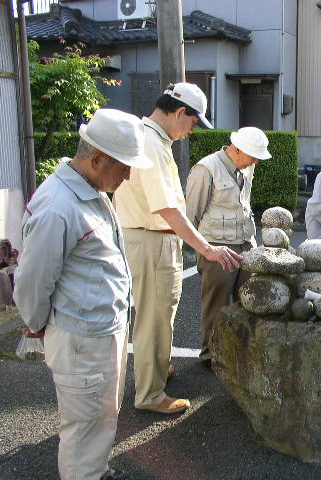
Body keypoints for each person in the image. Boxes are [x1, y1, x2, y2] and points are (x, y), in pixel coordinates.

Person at [14, 108, 152, 480]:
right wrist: (36, 323)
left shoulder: (89, 188)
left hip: (99, 329)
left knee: (101, 416)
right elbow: (32, 280)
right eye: (124, 167)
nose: (128, 176)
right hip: (81, 336)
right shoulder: (59, 205)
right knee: (85, 424)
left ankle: (95, 470)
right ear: (97, 159)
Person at [114, 83, 242, 415]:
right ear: (179, 112)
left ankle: (156, 370)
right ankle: (150, 393)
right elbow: (168, 209)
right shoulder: (152, 145)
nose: (191, 130)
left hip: (146, 237)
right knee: (154, 320)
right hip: (152, 238)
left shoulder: (150, 137)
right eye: (193, 122)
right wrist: (208, 249)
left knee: (156, 314)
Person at [185, 127, 271, 367]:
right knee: (217, 302)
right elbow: (190, 215)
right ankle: (211, 354)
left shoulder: (247, 166)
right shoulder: (206, 169)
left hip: (246, 243)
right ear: (237, 149)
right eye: (253, 156)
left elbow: (244, 204)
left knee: (247, 299)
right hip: (216, 245)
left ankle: (239, 351)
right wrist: (201, 250)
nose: (256, 161)